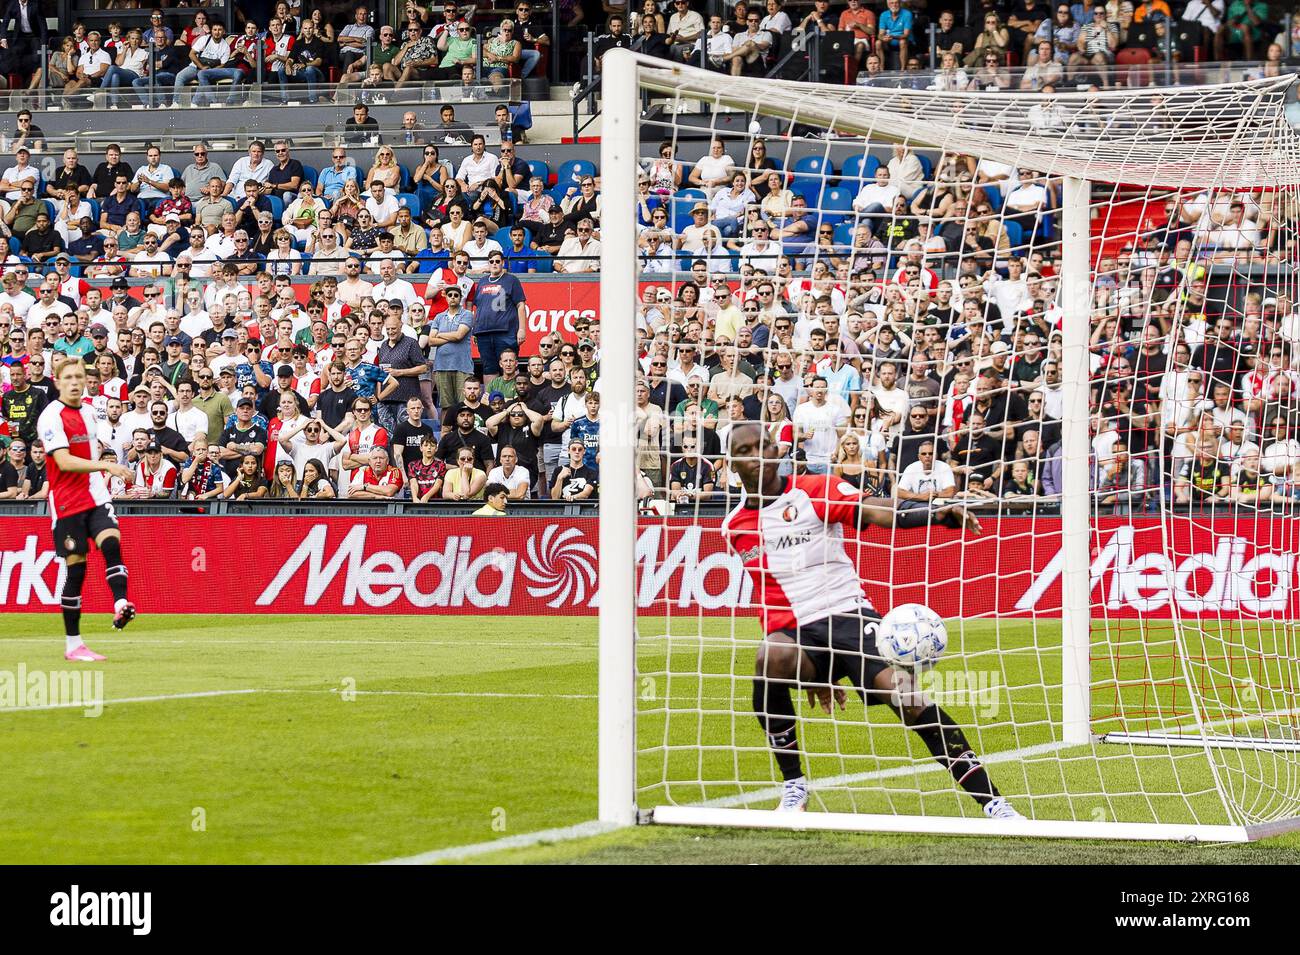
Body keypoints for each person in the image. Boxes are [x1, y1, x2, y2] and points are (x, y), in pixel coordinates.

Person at [722, 422, 1021, 816]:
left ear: (778, 451)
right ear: (732, 463)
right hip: (797, 633)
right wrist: (809, 673)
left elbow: (874, 510)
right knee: (769, 657)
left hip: (849, 614)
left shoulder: (814, 489)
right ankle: (794, 784)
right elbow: (768, 599)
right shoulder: (734, 527)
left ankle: (994, 803)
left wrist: (936, 515)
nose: (757, 455)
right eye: (746, 450)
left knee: (907, 696)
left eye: (764, 446)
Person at [36, 358, 139, 662]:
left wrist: (102, 470)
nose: (74, 382)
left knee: (111, 541)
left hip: (95, 494)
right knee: (76, 570)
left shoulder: (91, 412)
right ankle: (73, 644)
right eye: (68, 377)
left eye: (79, 376)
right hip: (67, 501)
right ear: (56, 381)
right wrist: (108, 464)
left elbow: (89, 450)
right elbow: (65, 462)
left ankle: (120, 603)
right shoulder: (51, 417)